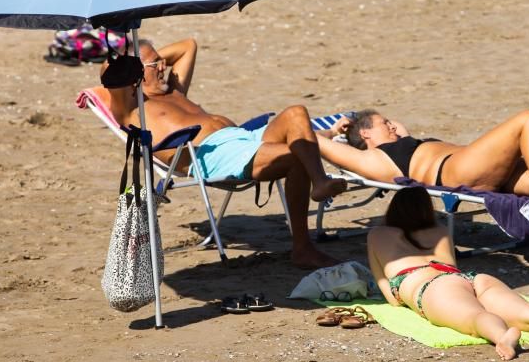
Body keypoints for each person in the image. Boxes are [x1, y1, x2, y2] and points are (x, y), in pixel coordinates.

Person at [104, 38, 347, 268]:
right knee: (295, 157)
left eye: (162, 61)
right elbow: (108, 71)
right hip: (210, 155)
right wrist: (137, 59)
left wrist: (148, 57)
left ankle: (320, 181)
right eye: (156, 64)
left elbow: (188, 45)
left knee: (296, 112)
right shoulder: (133, 109)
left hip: (244, 137)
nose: (163, 66)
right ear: (135, 72)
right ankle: (303, 249)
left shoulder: (174, 92)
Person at [367, 187, 529, 360]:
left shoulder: (378, 234)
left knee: (475, 317)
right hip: (470, 278)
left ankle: (502, 336)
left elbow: (391, 296)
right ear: (426, 209)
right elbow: (452, 267)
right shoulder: (439, 231)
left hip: (432, 288)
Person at [316, 108, 529, 207]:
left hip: (469, 166)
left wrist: (385, 125)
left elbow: (402, 130)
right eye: (385, 123)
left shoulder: (402, 141)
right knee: (527, 119)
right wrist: (334, 133)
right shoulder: (375, 160)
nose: (393, 126)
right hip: (454, 171)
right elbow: (311, 138)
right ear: (366, 134)